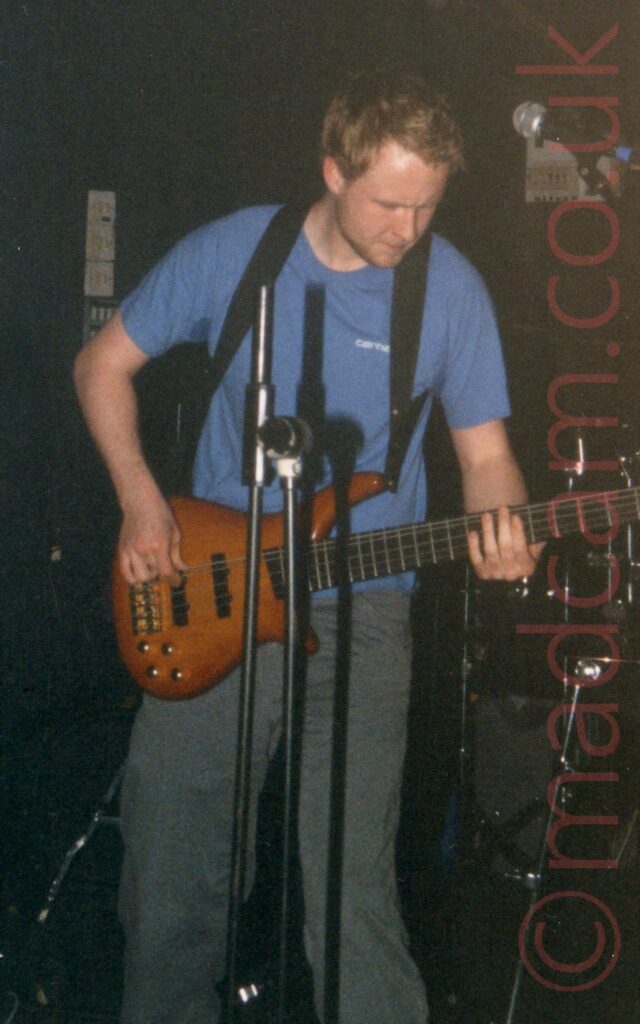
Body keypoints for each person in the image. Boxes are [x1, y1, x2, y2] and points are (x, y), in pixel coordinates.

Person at [74, 67, 542, 1024]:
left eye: (427, 205)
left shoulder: (447, 289)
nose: (407, 229)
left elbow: (486, 456)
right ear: (334, 168)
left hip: (366, 600)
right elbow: (101, 365)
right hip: (211, 583)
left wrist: (505, 529)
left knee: (350, 877)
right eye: (388, 202)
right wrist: (139, 503)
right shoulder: (241, 251)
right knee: (174, 866)